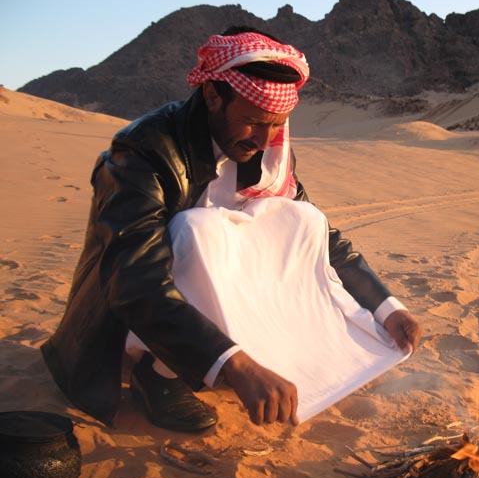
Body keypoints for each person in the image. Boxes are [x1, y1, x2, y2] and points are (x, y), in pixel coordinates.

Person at [41, 26, 421, 432]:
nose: (264, 138)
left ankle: (226, 352)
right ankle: (157, 374)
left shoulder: (270, 149)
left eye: (277, 124)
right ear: (212, 96)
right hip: (133, 308)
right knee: (197, 229)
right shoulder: (144, 152)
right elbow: (134, 277)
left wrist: (387, 308)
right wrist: (233, 363)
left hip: (203, 297)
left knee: (300, 220)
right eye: (252, 121)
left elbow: (319, 238)